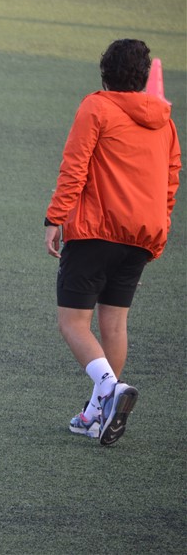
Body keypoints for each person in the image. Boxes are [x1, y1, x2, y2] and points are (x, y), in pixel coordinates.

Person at [44, 39, 181, 447]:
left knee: (73, 323)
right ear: (143, 78)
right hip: (141, 236)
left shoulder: (97, 107)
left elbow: (75, 166)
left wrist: (55, 217)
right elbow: (170, 183)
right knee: (115, 324)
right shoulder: (166, 123)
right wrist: (155, 239)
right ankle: (94, 414)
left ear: (105, 74)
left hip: (96, 230)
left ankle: (109, 389)